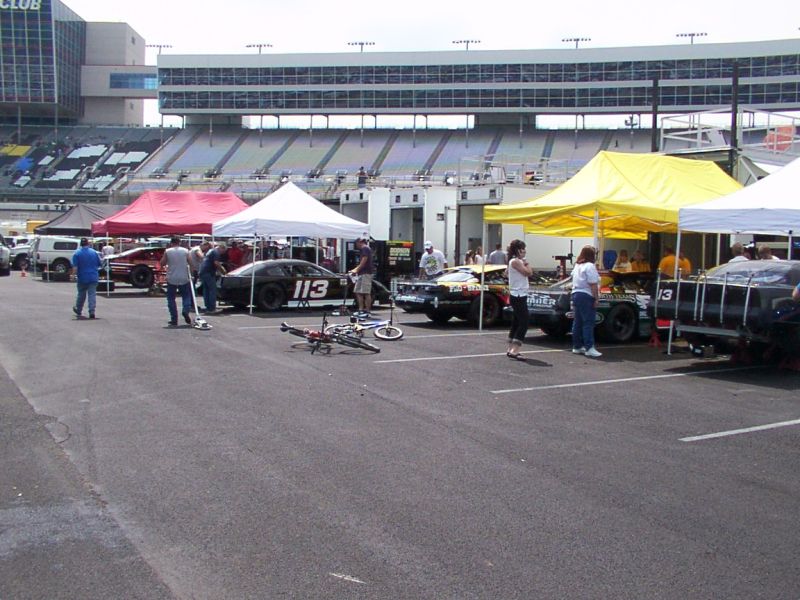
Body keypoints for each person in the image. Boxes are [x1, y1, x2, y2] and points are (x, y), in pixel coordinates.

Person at [571, 245, 602, 358]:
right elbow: (593, 284)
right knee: (588, 322)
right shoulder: (590, 266)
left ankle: (577, 346)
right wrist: (596, 298)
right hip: (586, 294)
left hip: (576, 293)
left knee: (578, 321)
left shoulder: (577, 265)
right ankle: (589, 347)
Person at [505, 239, 533, 360]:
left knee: (516, 321)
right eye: (522, 248)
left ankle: (511, 347)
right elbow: (528, 273)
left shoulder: (514, 261)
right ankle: (515, 349)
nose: (524, 251)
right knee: (524, 322)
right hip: (517, 295)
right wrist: (526, 263)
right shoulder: (515, 261)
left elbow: (506, 273)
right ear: (518, 250)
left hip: (519, 294)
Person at [159, 236, 193, 327]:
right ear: (180, 242)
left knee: (171, 298)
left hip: (172, 277)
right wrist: (192, 273)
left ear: (171, 242)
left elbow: (162, 263)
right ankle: (185, 310)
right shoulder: (186, 251)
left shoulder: (168, 251)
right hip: (184, 276)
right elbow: (190, 262)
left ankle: (174, 318)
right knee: (186, 296)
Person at [70, 237, 102, 319]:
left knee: (81, 293)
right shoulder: (94, 252)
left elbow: (75, 267)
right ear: (88, 243)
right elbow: (99, 263)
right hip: (93, 276)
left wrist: (73, 275)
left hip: (82, 276)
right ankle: (92, 311)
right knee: (92, 294)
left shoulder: (77, 253)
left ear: (81, 244)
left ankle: (78, 309)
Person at [349, 237, 374, 318]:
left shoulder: (365, 248)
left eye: (357, 243)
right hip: (361, 273)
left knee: (366, 292)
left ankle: (367, 311)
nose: (356, 245)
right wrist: (356, 270)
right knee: (358, 291)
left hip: (366, 273)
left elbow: (364, 260)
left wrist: (356, 269)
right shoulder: (364, 249)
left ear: (360, 242)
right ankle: (361, 310)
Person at [198, 241, 226, 313]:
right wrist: (223, 271)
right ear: (221, 248)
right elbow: (216, 263)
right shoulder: (216, 252)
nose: (223, 253)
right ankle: (212, 308)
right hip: (208, 272)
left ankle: (208, 307)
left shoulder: (211, 251)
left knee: (206, 290)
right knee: (212, 290)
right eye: (224, 251)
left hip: (203, 271)